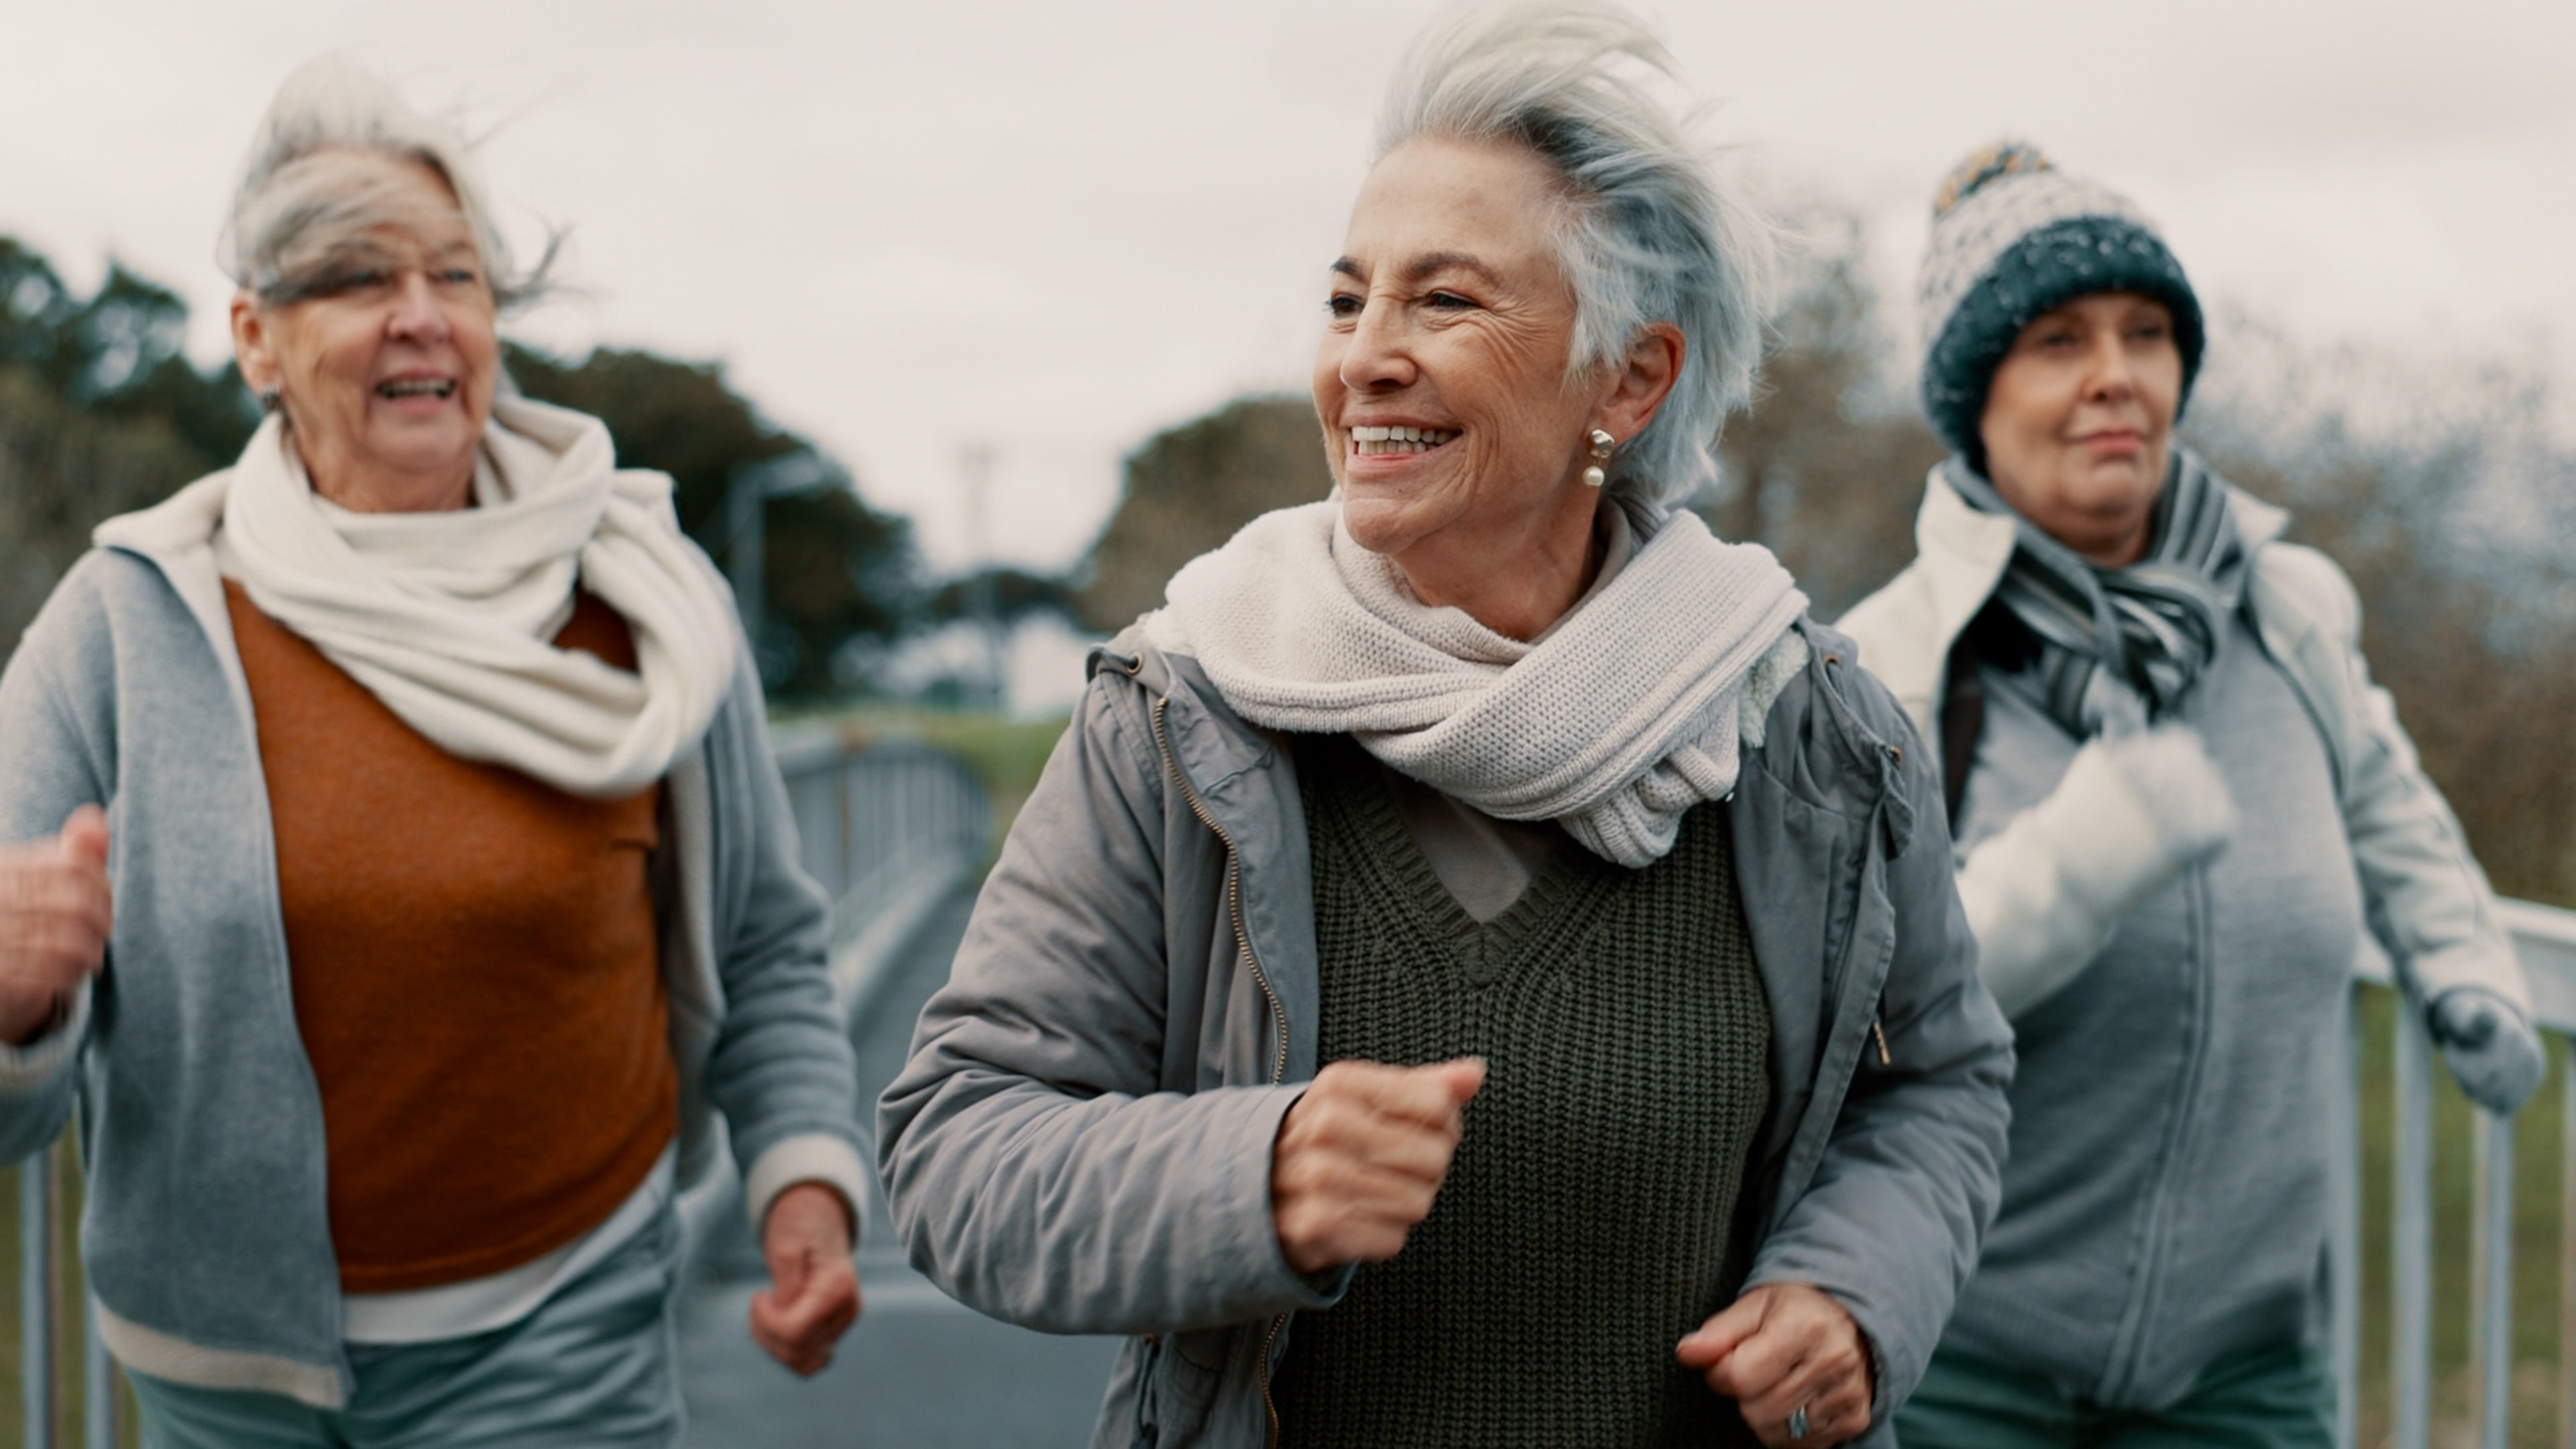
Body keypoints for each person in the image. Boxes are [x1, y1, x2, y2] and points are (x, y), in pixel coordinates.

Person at [877, 7, 2012, 1446]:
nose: (1364, 359)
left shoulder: (1812, 733)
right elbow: (958, 1141)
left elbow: (1938, 1086)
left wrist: (1854, 1295)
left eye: (1445, 302)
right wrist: (1253, 1177)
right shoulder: (1178, 714)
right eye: (1347, 301)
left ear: (1630, 378)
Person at [0, 58, 869, 1446]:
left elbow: (762, 934)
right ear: (256, 340)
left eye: (456, 276)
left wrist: (804, 1174)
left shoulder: (644, 600)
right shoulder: (122, 622)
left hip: (565, 1336)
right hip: (217, 1378)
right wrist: (16, 1006)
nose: (422, 314)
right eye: (359, 276)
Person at [1837, 142, 2545, 1448]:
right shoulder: (1891, 665)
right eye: (2058, 341)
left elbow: (2389, 807)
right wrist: (2085, 860)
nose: (2115, 373)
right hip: (1961, 1367)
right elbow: (1865, 1019)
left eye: (2147, 333)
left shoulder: (2290, 607)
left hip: (2247, 1379)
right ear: (1976, 397)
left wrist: (2466, 972)